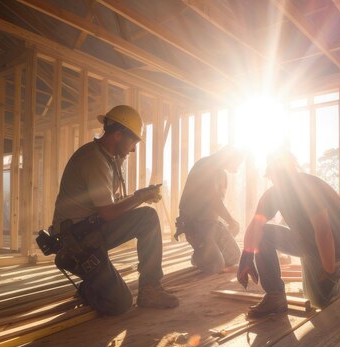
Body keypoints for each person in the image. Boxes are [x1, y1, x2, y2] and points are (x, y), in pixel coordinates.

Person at [51, 105, 179, 315]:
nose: (133, 149)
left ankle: (149, 289)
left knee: (147, 218)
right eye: (132, 142)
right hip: (77, 243)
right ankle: (91, 287)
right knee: (120, 304)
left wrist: (139, 196)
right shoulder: (94, 160)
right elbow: (108, 213)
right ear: (118, 135)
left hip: (91, 231)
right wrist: (139, 198)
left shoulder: (107, 159)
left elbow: (109, 206)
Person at [237, 150, 340, 317]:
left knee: (320, 299)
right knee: (262, 234)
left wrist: (329, 273)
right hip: (308, 241)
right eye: (273, 177)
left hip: (337, 246)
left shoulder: (307, 188)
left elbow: (323, 232)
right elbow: (255, 226)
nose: (276, 181)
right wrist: (246, 257)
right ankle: (275, 296)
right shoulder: (275, 193)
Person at [175, 146, 244, 274]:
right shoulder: (205, 166)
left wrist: (225, 225)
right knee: (216, 266)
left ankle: (208, 249)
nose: (237, 168)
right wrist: (231, 221)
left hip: (211, 224)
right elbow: (213, 200)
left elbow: (215, 205)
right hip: (195, 224)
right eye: (238, 163)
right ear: (230, 158)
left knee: (234, 256)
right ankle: (200, 254)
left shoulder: (221, 174)